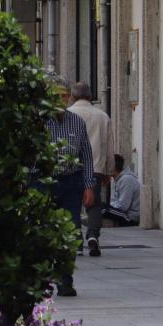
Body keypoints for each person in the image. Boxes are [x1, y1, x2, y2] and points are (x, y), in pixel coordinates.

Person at [46, 79, 93, 298]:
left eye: (63, 96)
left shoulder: (77, 122)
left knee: (71, 231)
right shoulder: (40, 122)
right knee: (45, 232)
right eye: (55, 95)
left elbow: (86, 154)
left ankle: (65, 280)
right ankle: (44, 278)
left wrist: (88, 185)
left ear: (70, 98)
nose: (60, 100)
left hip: (71, 182)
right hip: (46, 182)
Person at [67, 81, 113, 257]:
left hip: (72, 166)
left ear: (72, 96)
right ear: (90, 96)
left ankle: (76, 242)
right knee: (94, 205)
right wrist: (109, 170)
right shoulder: (102, 116)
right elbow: (109, 145)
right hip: (95, 167)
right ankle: (93, 235)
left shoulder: (68, 114)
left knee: (73, 204)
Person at [102, 154, 141, 228]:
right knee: (100, 206)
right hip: (123, 212)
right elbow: (114, 201)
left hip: (130, 217)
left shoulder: (126, 179)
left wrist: (109, 208)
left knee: (102, 209)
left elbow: (123, 206)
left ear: (113, 166)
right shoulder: (116, 179)